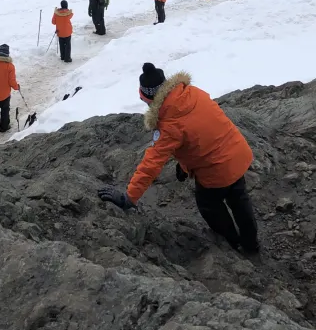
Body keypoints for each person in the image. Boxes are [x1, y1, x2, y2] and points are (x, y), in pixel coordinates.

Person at [98, 63, 259, 255]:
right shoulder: (192, 92)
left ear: (150, 98)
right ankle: (251, 245)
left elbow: (152, 163)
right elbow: (199, 133)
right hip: (237, 153)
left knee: (208, 204)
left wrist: (129, 198)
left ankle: (231, 243)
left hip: (216, 170)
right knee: (239, 198)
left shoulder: (168, 124)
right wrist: (185, 165)